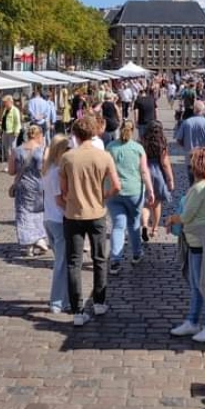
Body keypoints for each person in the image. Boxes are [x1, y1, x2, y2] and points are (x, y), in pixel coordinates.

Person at [59, 115, 122, 326]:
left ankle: (77, 310)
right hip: (96, 213)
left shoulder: (68, 158)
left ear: (75, 135)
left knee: (73, 262)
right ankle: (99, 302)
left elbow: (64, 190)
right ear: (95, 132)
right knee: (99, 258)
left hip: (74, 214)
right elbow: (116, 186)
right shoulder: (103, 156)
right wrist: (103, 197)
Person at [168, 147, 205, 343]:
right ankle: (193, 321)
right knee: (197, 285)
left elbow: (186, 216)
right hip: (198, 242)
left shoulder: (198, 189)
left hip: (201, 242)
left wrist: (171, 219)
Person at [106, 120, 155, 275]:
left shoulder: (110, 147)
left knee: (118, 225)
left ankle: (115, 260)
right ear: (133, 131)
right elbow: (144, 172)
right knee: (134, 224)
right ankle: (136, 253)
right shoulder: (138, 148)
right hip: (134, 191)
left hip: (114, 192)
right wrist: (150, 190)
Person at [41, 136, 72, 314]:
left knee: (63, 261)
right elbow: (60, 200)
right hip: (59, 220)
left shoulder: (48, 169)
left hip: (49, 219)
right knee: (61, 263)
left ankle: (65, 299)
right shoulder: (56, 172)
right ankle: (57, 301)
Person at [10, 125, 48, 257]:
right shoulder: (43, 150)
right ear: (39, 135)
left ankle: (30, 244)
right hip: (39, 186)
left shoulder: (17, 150)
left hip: (23, 186)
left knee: (24, 215)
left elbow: (11, 171)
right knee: (39, 213)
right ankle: (39, 238)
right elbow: (46, 169)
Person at [141, 120, 175, 242]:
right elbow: (165, 164)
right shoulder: (162, 144)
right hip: (158, 173)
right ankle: (154, 228)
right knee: (156, 204)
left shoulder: (142, 142)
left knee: (145, 203)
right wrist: (170, 179)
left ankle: (144, 224)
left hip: (144, 172)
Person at [175, 101, 205, 183]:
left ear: (194, 110)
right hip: (204, 158)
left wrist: (186, 146)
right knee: (204, 182)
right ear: (204, 110)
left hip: (191, 158)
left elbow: (179, 140)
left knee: (192, 183)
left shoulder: (186, 123)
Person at [0, 95, 23, 166]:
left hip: (12, 132)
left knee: (12, 149)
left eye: (5, 102)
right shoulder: (5, 110)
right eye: (3, 102)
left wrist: (16, 131)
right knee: (7, 149)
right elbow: (3, 120)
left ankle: (15, 164)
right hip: (5, 131)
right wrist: (1, 130)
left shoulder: (15, 110)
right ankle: (10, 164)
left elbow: (17, 122)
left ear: (10, 102)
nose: (4, 104)